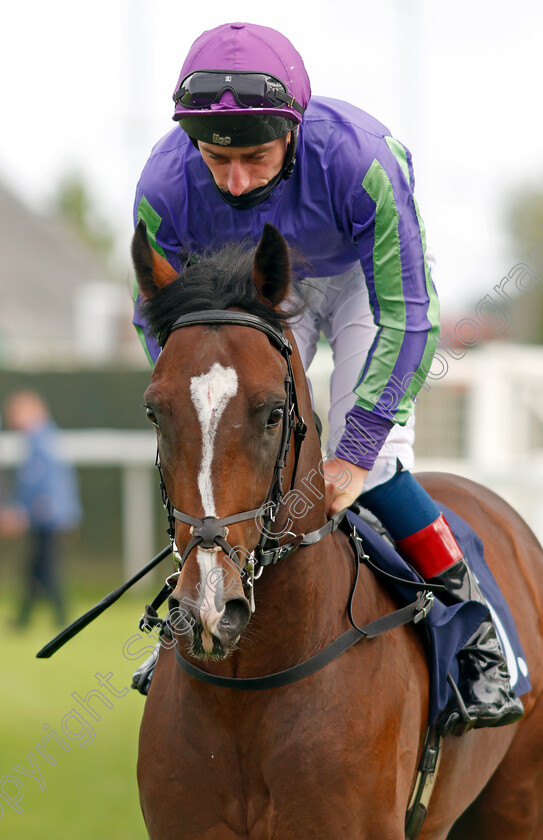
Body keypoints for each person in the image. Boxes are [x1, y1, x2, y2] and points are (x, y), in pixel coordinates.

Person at [131, 22, 523, 734]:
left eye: (254, 156)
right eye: (216, 159)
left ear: (293, 127)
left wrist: (355, 450)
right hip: (252, 290)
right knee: (230, 452)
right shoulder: (163, 183)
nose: (237, 180)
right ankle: (200, 607)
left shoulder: (359, 160)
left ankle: (472, 626)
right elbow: (159, 320)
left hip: (356, 287)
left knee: (367, 466)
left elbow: (407, 312)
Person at [1, 391, 81, 627]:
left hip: (47, 518)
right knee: (35, 570)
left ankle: (60, 619)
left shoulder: (41, 441)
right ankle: (27, 619)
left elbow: (43, 484)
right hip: (48, 516)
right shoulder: (43, 438)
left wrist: (24, 512)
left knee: (45, 571)